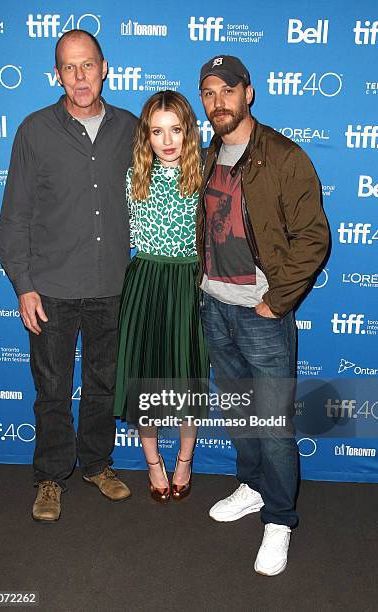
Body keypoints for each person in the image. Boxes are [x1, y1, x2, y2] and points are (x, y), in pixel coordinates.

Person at [197, 56, 329, 574]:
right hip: (214, 307)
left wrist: (277, 301)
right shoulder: (207, 153)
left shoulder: (282, 156)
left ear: (248, 93)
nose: (217, 102)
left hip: (261, 315)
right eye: (208, 93)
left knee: (272, 424)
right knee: (238, 414)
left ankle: (279, 519)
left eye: (227, 90)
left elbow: (314, 238)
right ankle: (252, 487)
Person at [0, 29, 137, 522]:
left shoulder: (132, 128)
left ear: (105, 67)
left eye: (88, 65)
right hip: (51, 290)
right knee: (52, 390)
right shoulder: (35, 130)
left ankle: (97, 465)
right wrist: (23, 285)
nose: (80, 77)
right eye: (69, 67)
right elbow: (14, 215)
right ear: (57, 73)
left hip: (113, 287)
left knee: (103, 386)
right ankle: (50, 478)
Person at [113, 90, 209, 502]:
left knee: (189, 375)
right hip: (146, 282)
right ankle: (153, 463)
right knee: (145, 375)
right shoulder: (134, 176)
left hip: (190, 282)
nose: (167, 140)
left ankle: (185, 460)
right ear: (146, 136)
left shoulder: (206, 175)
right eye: (157, 131)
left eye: (175, 129)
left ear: (188, 131)